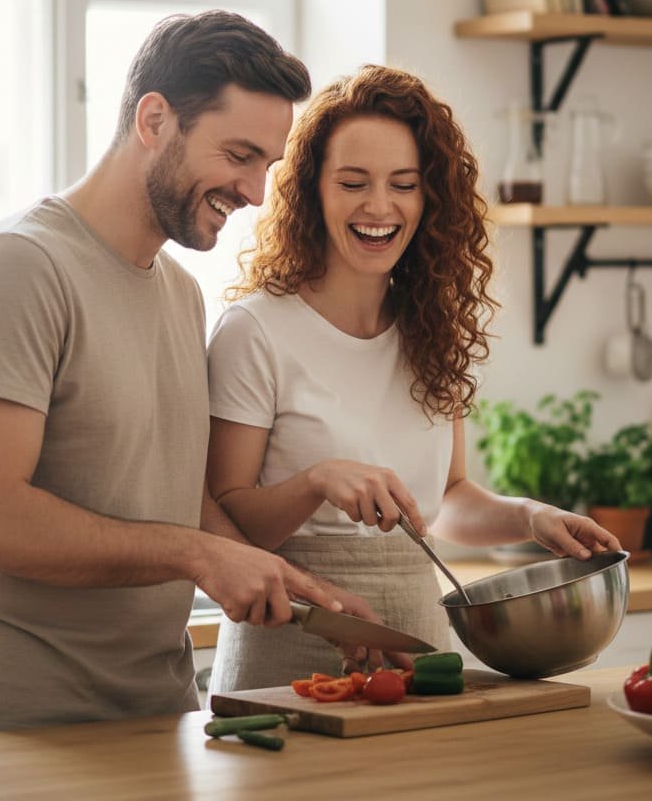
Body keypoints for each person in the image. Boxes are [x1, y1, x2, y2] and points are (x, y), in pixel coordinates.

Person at [0, 10, 374, 736]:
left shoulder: (178, 291)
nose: (256, 192)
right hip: (15, 731)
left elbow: (169, 489)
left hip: (156, 719)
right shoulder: (17, 269)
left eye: (268, 166)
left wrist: (297, 589)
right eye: (239, 155)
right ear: (155, 119)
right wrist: (197, 555)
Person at [205, 64, 622, 692]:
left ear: (430, 199)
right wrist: (318, 481)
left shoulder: (432, 328)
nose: (379, 206)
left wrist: (531, 518)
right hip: (290, 648)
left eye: (404, 184)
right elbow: (226, 521)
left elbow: (446, 499)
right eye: (353, 182)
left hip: (417, 647)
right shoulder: (255, 331)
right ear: (311, 191)